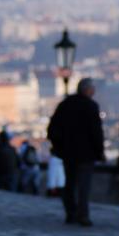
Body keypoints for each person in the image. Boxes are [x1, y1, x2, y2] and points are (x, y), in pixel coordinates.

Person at [47, 77, 105, 227]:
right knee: (84, 186)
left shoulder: (65, 104)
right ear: (88, 90)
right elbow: (96, 132)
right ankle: (83, 215)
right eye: (93, 89)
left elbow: (52, 129)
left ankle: (70, 213)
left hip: (68, 152)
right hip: (86, 153)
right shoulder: (91, 106)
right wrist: (100, 151)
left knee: (70, 183)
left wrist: (58, 146)